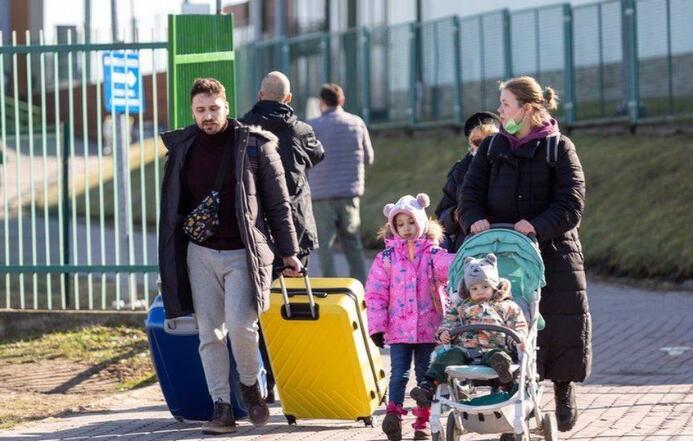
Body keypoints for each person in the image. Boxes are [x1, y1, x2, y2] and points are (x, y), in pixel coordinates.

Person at [158, 78, 303, 435]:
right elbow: (172, 210)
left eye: (214, 108)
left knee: (241, 325)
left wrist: (289, 253)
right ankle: (221, 406)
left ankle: (251, 384)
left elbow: (278, 205)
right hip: (200, 255)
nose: (208, 116)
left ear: (226, 106)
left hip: (244, 253)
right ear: (193, 111)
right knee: (209, 333)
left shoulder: (254, 145)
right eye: (200, 110)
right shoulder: (182, 148)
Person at [460, 76, 590, 432]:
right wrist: (474, 220)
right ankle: (509, 401)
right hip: (501, 252)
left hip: (553, 249)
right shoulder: (491, 148)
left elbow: (571, 203)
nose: (500, 111)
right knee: (504, 325)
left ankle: (563, 390)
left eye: (505, 104)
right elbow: (469, 193)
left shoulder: (558, 148)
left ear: (529, 108)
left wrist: (536, 225)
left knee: (561, 322)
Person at [240, 71, 325, 403]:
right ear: (288, 98)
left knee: (259, 306)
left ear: (261, 95)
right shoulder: (302, 131)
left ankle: (266, 379)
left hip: (257, 231)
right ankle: (295, 377)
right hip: (297, 231)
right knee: (294, 305)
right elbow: (317, 156)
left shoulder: (243, 130)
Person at [365, 193, 455, 441]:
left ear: (422, 222)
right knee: (399, 373)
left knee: (425, 376)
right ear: (393, 228)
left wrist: (469, 260)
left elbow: (452, 266)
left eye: (411, 222)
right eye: (400, 224)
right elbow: (375, 294)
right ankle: (393, 413)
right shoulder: (386, 258)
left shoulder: (433, 254)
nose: (406, 229)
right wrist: (376, 327)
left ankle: (422, 424)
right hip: (398, 328)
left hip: (429, 327)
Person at [410, 253, 528, 406]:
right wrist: (444, 333)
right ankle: (428, 385)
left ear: (494, 286)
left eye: (485, 287)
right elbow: (449, 322)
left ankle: (504, 375)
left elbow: (518, 325)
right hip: (465, 350)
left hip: (494, 348)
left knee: (499, 356)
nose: (480, 291)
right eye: (474, 288)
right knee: (447, 357)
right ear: (468, 290)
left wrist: (518, 340)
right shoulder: (461, 306)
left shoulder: (507, 306)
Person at [308, 83, 373, 282]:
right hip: (349, 193)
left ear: (322, 102)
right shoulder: (357, 123)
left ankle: (330, 286)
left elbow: (305, 159)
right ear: (342, 101)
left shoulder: (313, 126)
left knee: (325, 244)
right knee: (352, 241)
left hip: (321, 195)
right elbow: (368, 157)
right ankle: (360, 286)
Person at [434, 112, 500, 252]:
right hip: (468, 246)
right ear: (470, 145)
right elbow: (441, 218)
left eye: (490, 140)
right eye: (477, 142)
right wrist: (455, 216)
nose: (483, 146)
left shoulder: (511, 164)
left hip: (505, 241)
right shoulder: (459, 171)